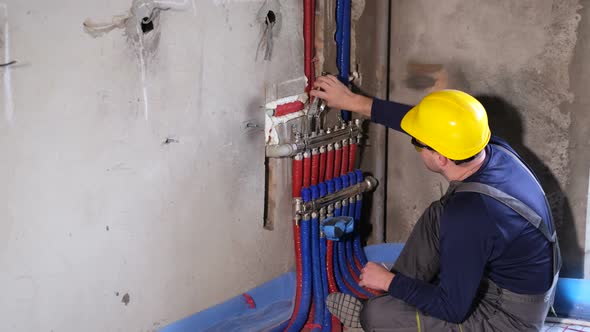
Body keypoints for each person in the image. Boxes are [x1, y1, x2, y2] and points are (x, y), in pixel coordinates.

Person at [310, 75, 561, 332]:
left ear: (440, 158)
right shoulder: (490, 148)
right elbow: (427, 126)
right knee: (437, 216)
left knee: (376, 316)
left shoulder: (470, 213)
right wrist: (352, 101)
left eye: (418, 144)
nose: (416, 145)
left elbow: (452, 309)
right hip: (508, 283)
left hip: (509, 319)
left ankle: (382, 311)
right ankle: (397, 301)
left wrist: (389, 282)